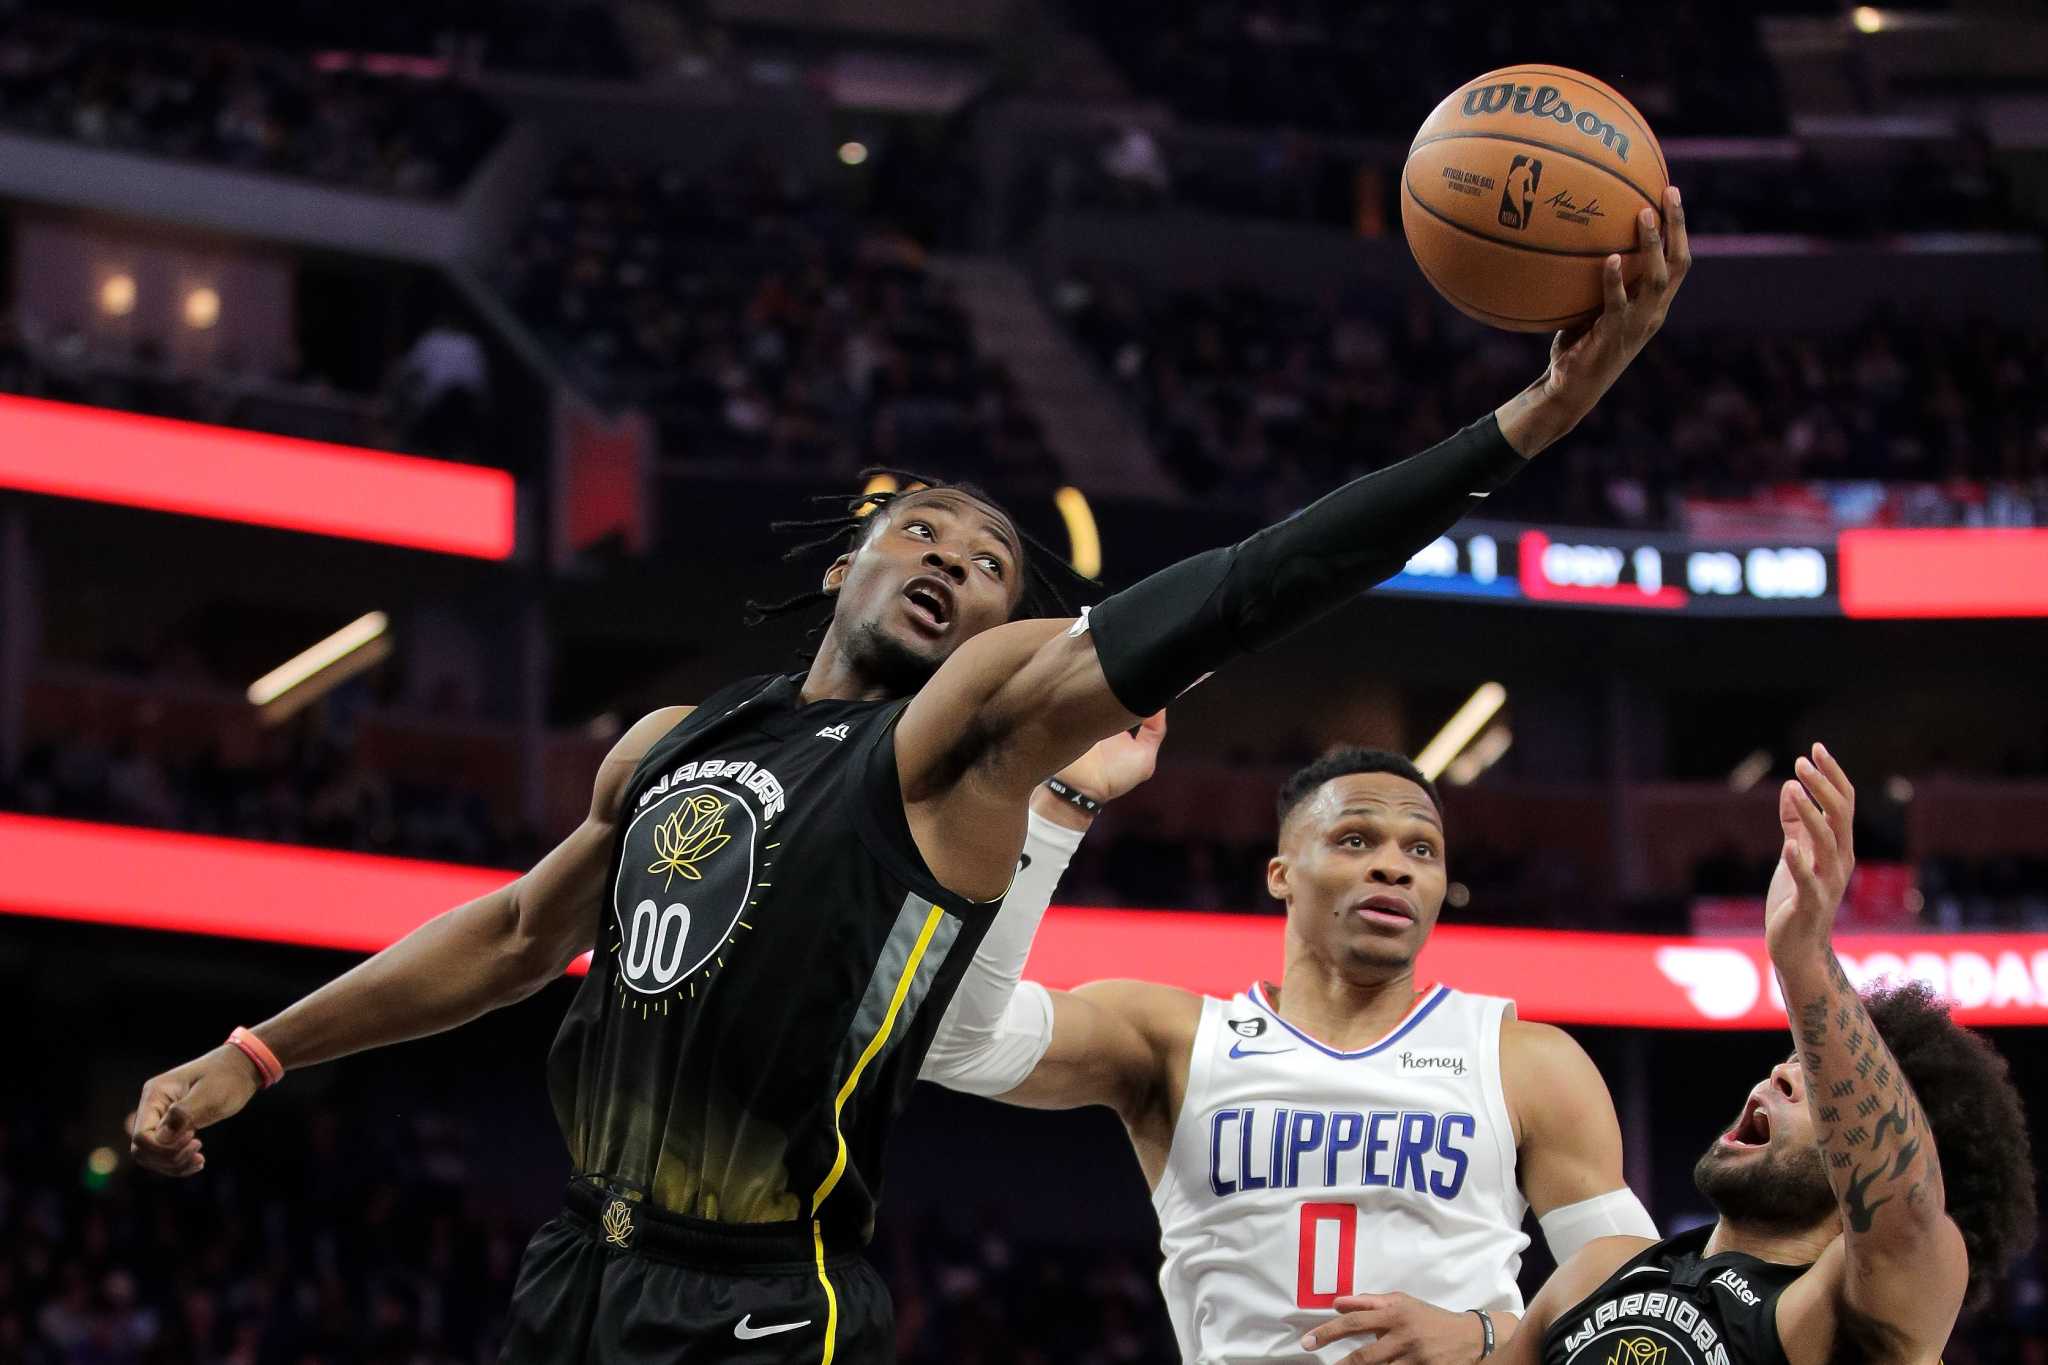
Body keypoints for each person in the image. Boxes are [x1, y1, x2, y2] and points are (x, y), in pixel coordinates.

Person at [127, 195, 1690, 1362]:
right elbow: (520, 934)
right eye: (925, 529)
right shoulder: (673, 740)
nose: (951, 557)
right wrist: (261, 1052)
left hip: (760, 1295)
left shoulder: (959, 737)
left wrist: (1523, 425)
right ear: (852, 560)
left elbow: (1249, 582)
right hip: (572, 1264)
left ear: (1008, 640)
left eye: (989, 562)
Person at [920, 748, 1657, 1364]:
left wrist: (1486, 1335)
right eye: (1356, 839)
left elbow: (1644, 1309)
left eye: (1421, 849)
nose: (1395, 866)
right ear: (1280, 873)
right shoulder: (1173, 1038)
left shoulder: (1525, 1060)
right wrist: (1063, 801)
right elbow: (953, 1036)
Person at [1495, 744, 2037, 1365]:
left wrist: (1802, 959)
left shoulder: (1857, 1307)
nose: (1781, 1073)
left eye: (1820, 1080)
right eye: (1792, 1059)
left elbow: (1904, 1211)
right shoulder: (1595, 1271)